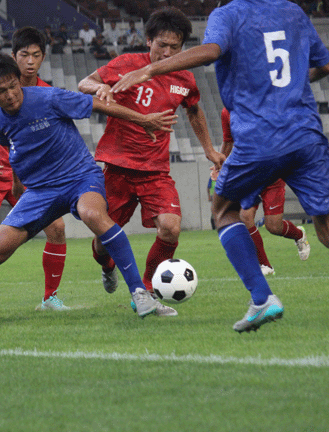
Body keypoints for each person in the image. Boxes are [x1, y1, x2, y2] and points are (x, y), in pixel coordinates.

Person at [112, 0, 329, 332]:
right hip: (306, 134)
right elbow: (323, 65)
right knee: (325, 227)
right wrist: (291, 86)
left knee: (224, 209)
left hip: (260, 136)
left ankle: (262, 297)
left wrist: (151, 69)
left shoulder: (228, 14)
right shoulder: (293, 11)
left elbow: (212, 50)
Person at [0, 52, 178, 330]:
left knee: (91, 212)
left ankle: (140, 294)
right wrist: (18, 183)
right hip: (40, 190)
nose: (10, 94)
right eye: (1, 91)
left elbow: (98, 105)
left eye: (13, 85)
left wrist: (143, 120)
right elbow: (16, 149)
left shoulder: (49, 98)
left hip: (80, 176)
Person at [78, 7, 224, 316]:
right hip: (117, 168)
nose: (167, 52)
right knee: (104, 244)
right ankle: (107, 266)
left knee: (171, 228)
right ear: (148, 41)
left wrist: (210, 150)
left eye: (175, 47)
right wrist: (100, 86)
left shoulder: (184, 77)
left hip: (156, 171)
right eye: (162, 45)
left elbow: (194, 110)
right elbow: (84, 83)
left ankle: (143, 291)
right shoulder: (128, 64)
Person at [0, 27, 71, 312]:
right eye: (24, 55)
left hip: (32, 177)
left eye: (36, 55)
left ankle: (50, 298)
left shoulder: (47, 94)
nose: (30, 61)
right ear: (13, 55)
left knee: (57, 228)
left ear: (43, 57)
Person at [220, 107, 310, 275]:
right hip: (250, 174)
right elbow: (228, 141)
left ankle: (298, 235)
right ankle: (265, 265)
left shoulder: (262, 102)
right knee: (245, 217)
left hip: (272, 172)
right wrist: (219, 163)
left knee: (273, 226)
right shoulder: (227, 111)